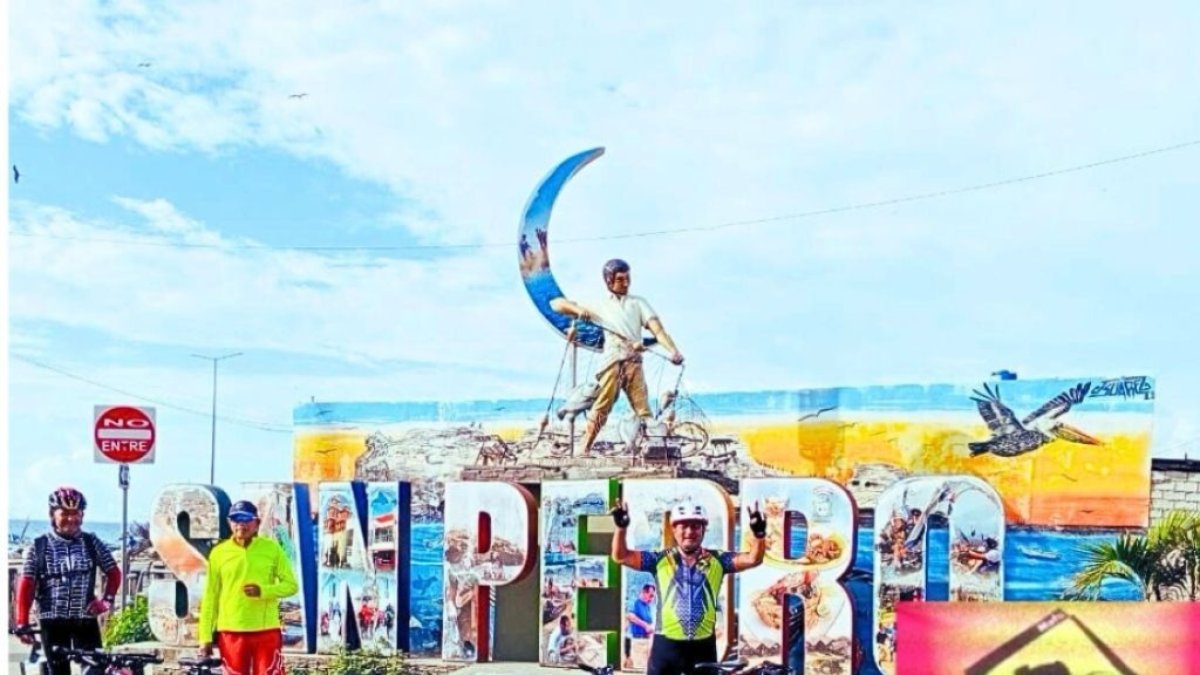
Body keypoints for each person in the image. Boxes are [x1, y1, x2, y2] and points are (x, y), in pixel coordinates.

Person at [611, 500, 767, 675]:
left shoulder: (719, 560)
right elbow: (621, 556)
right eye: (683, 526)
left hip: (703, 647)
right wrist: (620, 528)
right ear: (674, 529)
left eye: (695, 526)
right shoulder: (659, 560)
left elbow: (754, 559)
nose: (689, 532)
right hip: (666, 645)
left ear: (703, 530)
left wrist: (759, 534)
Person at [550, 258, 685, 455]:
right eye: (621, 279)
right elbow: (556, 304)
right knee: (602, 406)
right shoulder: (600, 304)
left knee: (643, 410)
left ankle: (653, 451)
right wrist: (579, 311)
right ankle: (583, 449)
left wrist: (673, 351)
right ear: (609, 280)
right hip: (612, 362)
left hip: (634, 362)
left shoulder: (638, 303)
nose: (626, 283)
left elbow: (659, 331)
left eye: (628, 278)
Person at [14, 487, 122, 675]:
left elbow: (114, 572)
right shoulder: (39, 546)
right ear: (52, 514)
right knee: (58, 671)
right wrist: (22, 622)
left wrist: (106, 601)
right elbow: (27, 584)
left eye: (76, 513)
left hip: (85, 620)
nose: (71, 519)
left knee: (95, 669)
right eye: (65, 513)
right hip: (52, 621)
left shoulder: (91, 542)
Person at [198, 500, 299, 675]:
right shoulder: (219, 553)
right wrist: (205, 637)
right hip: (231, 631)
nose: (241, 524)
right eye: (236, 520)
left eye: (246, 519)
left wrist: (263, 591)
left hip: (266, 631)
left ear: (257, 523)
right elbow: (210, 597)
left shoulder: (272, 549)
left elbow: (291, 586)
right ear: (229, 523)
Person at [624, 583, 657, 669]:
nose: (651, 599)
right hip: (637, 641)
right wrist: (645, 625)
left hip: (647, 642)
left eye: (653, 597)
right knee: (639, 667)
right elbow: (630, 616)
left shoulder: (648, 606)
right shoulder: (634, 602)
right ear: (643, 592)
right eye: (650, 596)